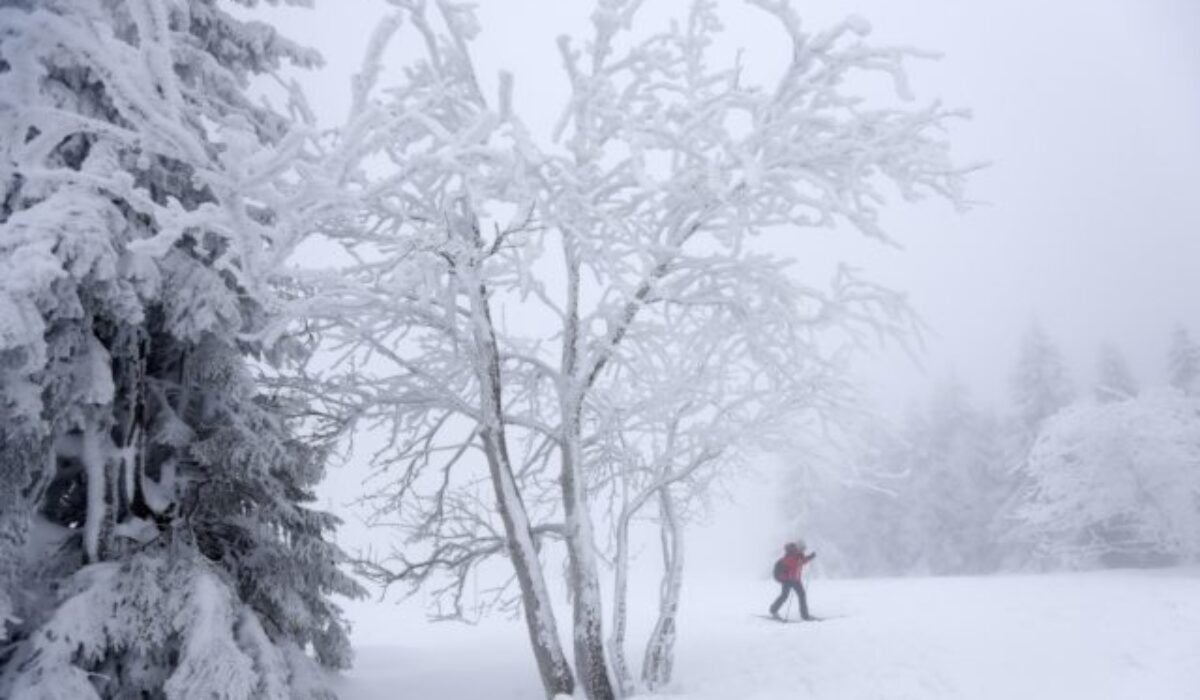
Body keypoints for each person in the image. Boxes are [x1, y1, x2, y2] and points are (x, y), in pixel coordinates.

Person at [769, 540, 816, 621]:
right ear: (799, 547)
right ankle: (773, 610)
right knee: (786, 596)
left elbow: (802, 562)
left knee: (800, 595)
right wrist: (801, 557)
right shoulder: (792, 553)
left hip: (795, 579)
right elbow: (792, 563)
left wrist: (810, 557)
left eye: (804, 548)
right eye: (803, 548)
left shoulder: (798, 555)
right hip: (788, 579)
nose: (804, 550)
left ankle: (804, 615)